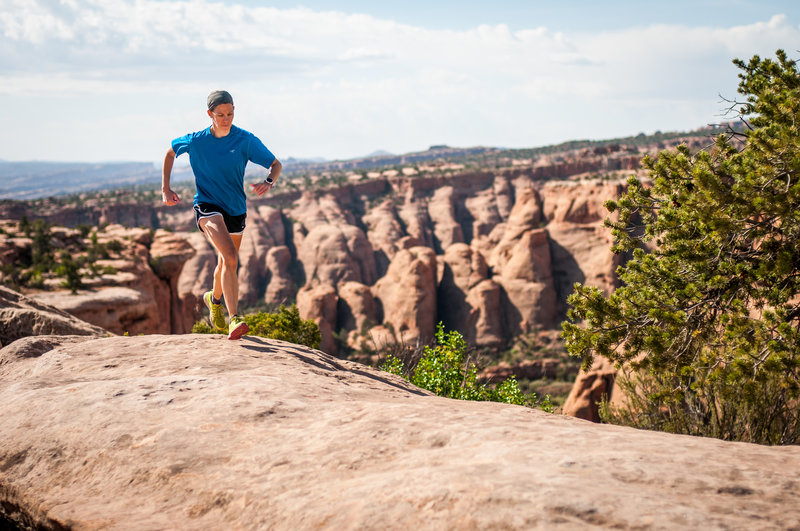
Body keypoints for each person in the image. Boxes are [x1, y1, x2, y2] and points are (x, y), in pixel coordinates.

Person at [161, 90, 282, 340]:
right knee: (230, 257)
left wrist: (268, 182)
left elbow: (275, 165)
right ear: (210, 114)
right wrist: (166, 188)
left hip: (236, 208)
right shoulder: (196, 140)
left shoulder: (245, 140)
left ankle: (213, 300)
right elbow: (170, 152)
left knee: (225, 262)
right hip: (207, 206)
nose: (226, 118)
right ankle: (234, 318)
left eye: (230, 113)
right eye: (220, 115)